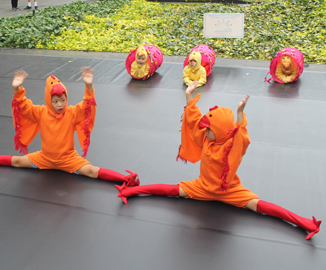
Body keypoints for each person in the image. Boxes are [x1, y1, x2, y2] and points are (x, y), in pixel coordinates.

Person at [115, 82, 321, 240]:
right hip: (203, 187)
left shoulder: (231, 145)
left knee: (263, 207)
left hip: (229, 190)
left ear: (221, 131)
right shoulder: (206, 139)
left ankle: (306, 224)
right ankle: (129, 191)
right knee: (170, 190)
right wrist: (188, 96)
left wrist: (240, 114)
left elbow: (242, 135)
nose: (206, 131)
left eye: (210, 129)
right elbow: (194, 120)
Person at [0, 68, 140, 186]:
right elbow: (24, 107)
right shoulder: (41, 113)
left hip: (68, 160)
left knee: (92, 171)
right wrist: (17, 89)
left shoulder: (71, 113)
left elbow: (87, 105)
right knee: (16, 161)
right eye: (55, 101)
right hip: (45, 158)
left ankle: (125, 179)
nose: (59, 105)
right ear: (49, 101)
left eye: (62, 100)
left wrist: (88, 86)